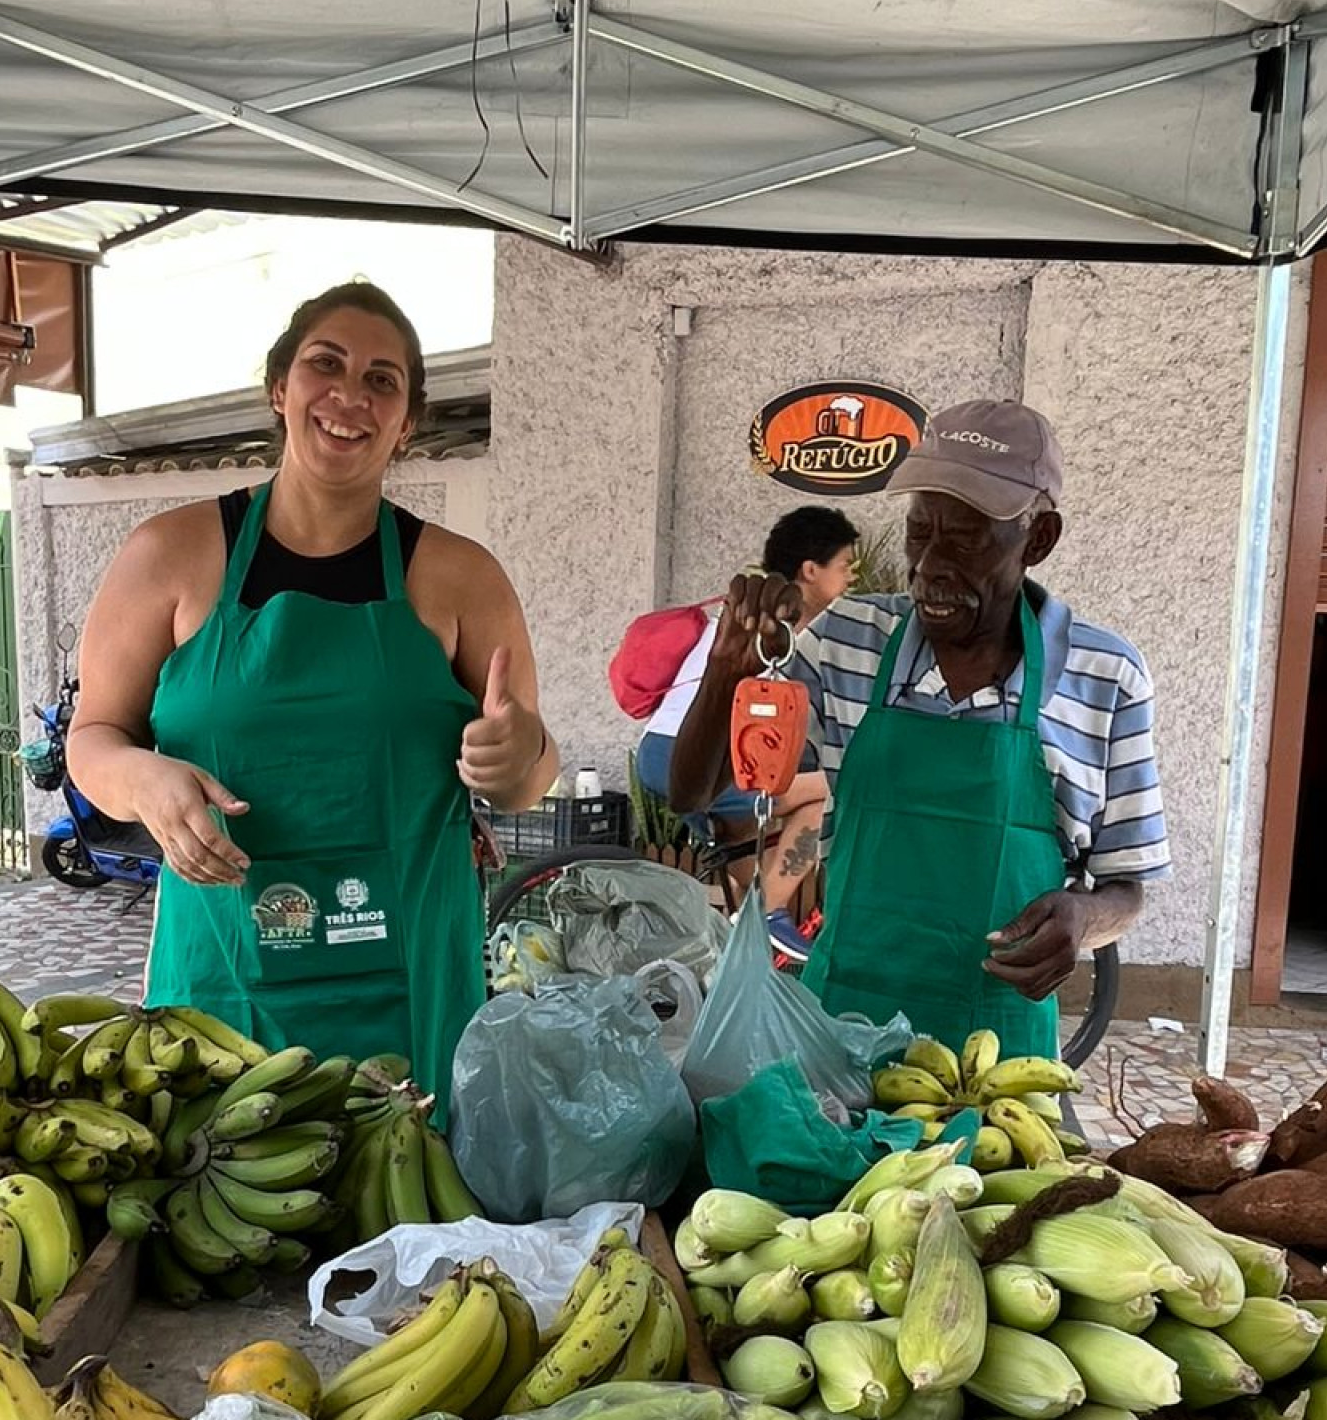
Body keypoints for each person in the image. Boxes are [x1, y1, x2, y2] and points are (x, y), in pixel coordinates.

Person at [68, 281, 555, 1102]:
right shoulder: (169, 554)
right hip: (223, 968)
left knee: (411, 1197)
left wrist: (513, 757)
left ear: (407, 425)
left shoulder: (462, 576)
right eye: (325, 365)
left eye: (382, 380)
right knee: (217, 1186)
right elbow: (92, 738)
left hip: (409, 976)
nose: (349, 395)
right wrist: (144, 778)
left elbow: (530, 770)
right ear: (279, 388)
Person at [670, 400, 1167, 1057]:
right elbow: (693, 792)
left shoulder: (1107, 678)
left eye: (964, 539)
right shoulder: (849, 640)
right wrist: (726, 672)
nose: (931, 564)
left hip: (997, 1051)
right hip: (841, 1032)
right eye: (919, 533)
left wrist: (1082, 919)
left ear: (1039, 538)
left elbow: (1126, 887)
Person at [634, 505, 858, 952]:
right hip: (697, 754)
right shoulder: (787, 627)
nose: (851, 578)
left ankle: (742, 937)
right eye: (845, 566)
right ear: (811, 570)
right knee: (831, 789)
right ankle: (767, 919)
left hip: (658, 752)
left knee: (747, 842)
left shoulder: (743, 613)